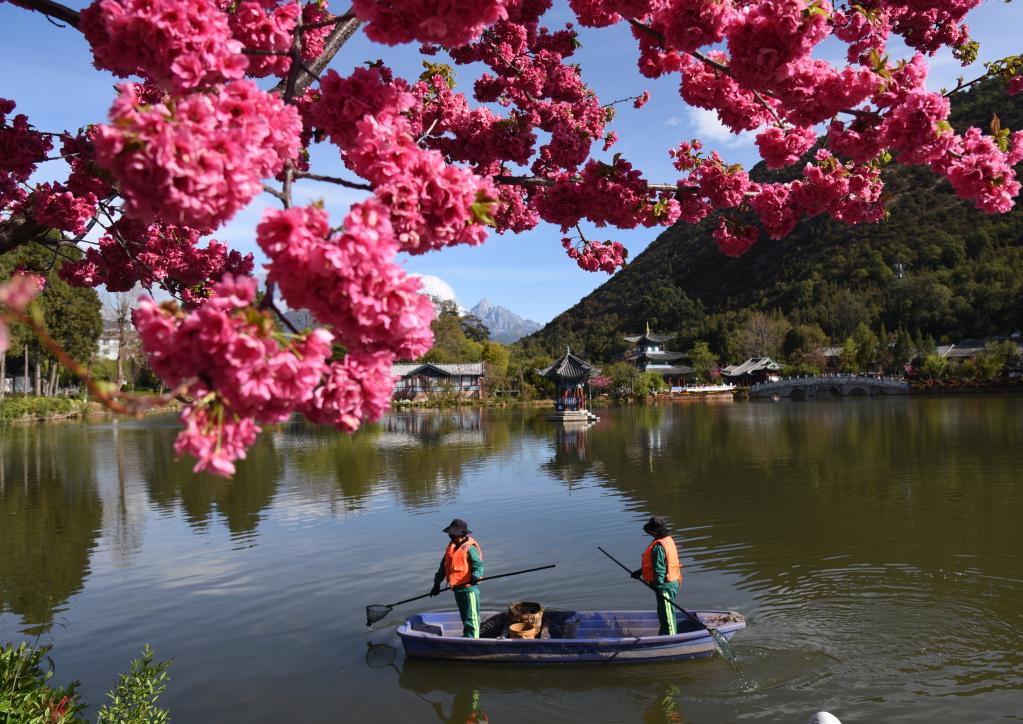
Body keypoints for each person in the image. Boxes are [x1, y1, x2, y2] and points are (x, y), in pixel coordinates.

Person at [431, 518, 485, 638]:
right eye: (451, 535)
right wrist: (436, 584)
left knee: (472, 620)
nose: (452, 537)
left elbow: (478, 566)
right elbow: (442, 568)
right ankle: (467, 637)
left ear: (463, 534)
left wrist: (476, 576)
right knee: (465, 617)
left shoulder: (470, 548)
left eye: (454, 535)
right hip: (457, 590)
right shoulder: (451, 548)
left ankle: (473, 643)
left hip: (469, 589)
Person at [631, 516, 682, 636]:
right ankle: (664, 635)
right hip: (669, 582)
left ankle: (671, 639)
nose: (650, 535)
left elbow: (659, 569)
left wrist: (659, 587)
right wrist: (640, 572)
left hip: (665, 585)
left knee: (667, 614)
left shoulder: (659, 547)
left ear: (656, 531)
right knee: (663, 612)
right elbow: (657, 564)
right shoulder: (667, 540)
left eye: (651, 532)